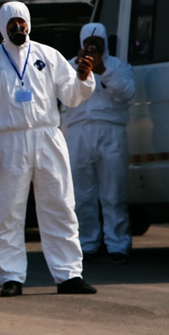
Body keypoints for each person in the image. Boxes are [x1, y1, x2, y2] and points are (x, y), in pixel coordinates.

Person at [0, 1, 98, 297]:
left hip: (47, 137)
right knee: (6, 212)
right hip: (8, 142)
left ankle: (69, 275)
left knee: (60, 206)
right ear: (3, 27)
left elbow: (71, 96)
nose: (18, 26)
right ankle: (11, 277)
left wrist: (83, 78)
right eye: (12, 23)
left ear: (28, 23)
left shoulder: (48, 55)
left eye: (21, 21)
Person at [61, 23, 135, 264]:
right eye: (89, 43)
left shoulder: (119, 67)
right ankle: (88, 243)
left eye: (98, 42)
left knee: (114, 193)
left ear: (105, 42)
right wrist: (80, 71)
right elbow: (61, 97)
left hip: (111, 132)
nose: (93, 47)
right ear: (81, 43)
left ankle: (117, 245)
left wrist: (103, 71)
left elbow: (127, 93)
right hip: (78, 133)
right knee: (82, 195)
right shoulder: (69, 67)